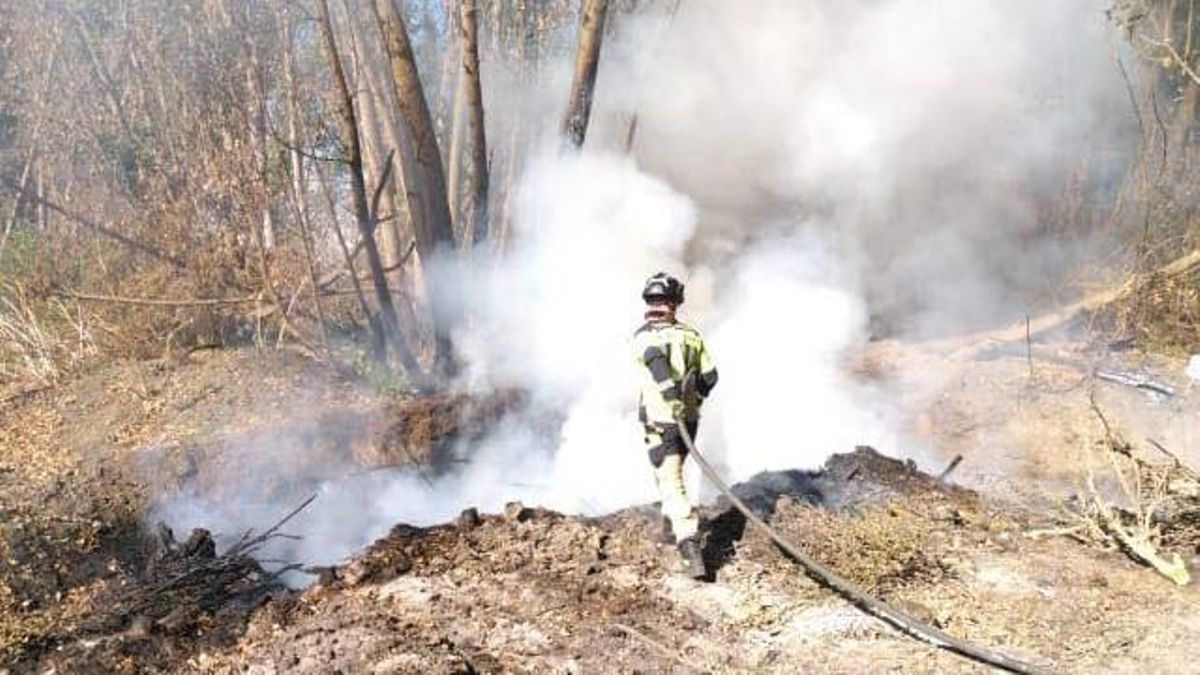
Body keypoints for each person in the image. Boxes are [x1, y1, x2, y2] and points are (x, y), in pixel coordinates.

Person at [633, 271, 718, 579]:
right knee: (670, 473)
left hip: (662, 421)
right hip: (688, 422)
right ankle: (672, 523)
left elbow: (656, 364)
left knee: (670, 479)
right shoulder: (692, 336)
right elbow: (710, 377)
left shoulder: (644, 336)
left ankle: (688, 541)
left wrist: (671, 397)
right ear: (675, 304)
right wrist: (693, 399)